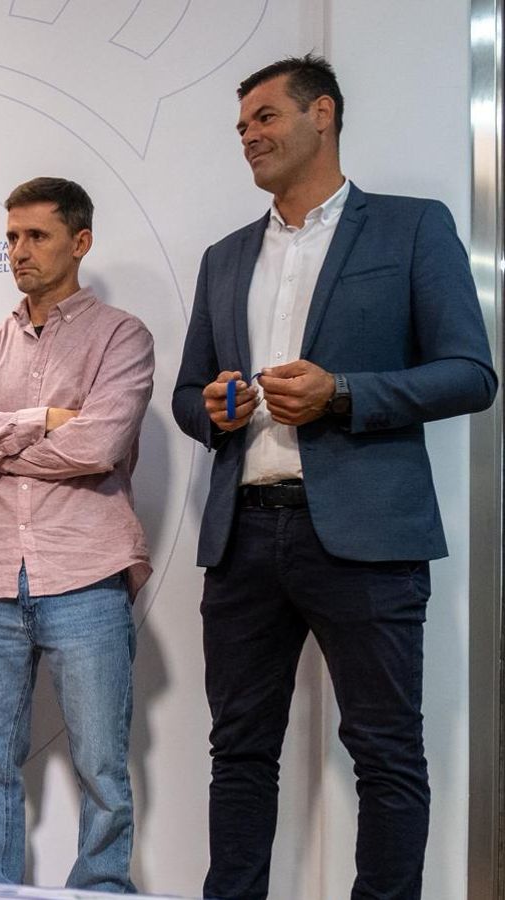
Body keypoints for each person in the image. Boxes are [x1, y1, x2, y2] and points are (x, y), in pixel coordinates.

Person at [171, 55, 498, 900]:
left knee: (387, 754)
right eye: (241, 125)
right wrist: (213, 407)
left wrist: (342, 393)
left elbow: (470, 373)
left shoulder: (412, 228)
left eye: (266, 117)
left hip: (367, 536)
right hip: (242, 537)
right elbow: (186, 394)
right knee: (238, 753)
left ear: (324, 115)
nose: (249, 136)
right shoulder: (223, 256)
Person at [0, 178, 153, 892]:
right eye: (12, 237)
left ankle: (102, 892)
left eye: (37, 237)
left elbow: (98, 447)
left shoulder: (122, 335)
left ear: (79, 243)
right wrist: (45, 419)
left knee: (102, 765)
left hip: (86, 576)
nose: (18, 251)